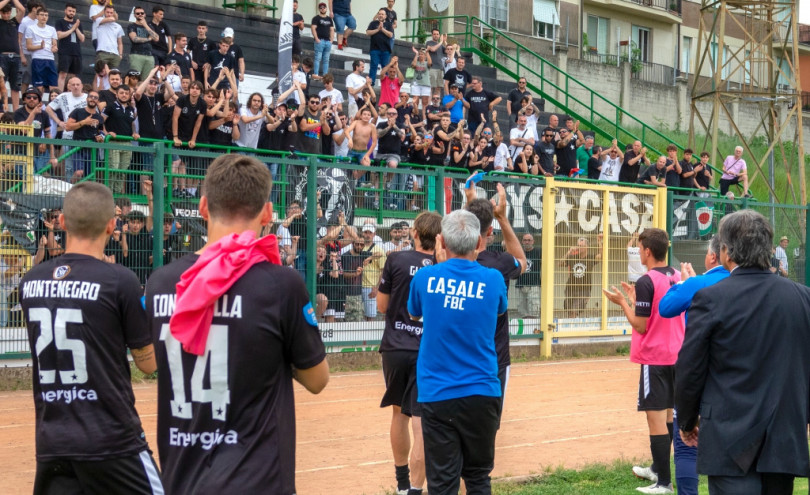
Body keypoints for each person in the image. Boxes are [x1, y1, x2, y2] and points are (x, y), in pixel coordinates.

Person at [146, 154, 329, 494]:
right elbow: (318, 379)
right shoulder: (281, 285)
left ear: (203, 207)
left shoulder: (161, 283)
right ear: (267, 214)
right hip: (258, 480)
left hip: (183, 479)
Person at [20, 182, 162, 495]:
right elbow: (148, 364)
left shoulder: (30, 282)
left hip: (52, 440)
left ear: (61, 222)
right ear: (113, 225)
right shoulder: (119, 280)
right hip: (111, 437)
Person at [675, 210, 810, 494]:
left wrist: (687, 421)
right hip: (783, 435)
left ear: (726, 251)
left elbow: (691, 367)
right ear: (769, 249)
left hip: (728, 435)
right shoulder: (802, 297)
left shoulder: (711, 298)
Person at [407, 209, 507, 495]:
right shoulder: (493, 279)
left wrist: (440, 267)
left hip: (438, 393)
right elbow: (498, 309)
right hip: (482, 391)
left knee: (442, 482)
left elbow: (414, 314)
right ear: (479, 242)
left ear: (441, 241)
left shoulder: (425, 278)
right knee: (477, 477)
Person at [602, 228, 684, 495]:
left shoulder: (647, 280)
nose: (637, 253)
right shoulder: (675, 275)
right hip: (675, 353)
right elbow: (661, 309)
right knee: (668, 413)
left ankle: (664, 483)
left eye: (639, 249)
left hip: (655, 357)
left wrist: (623, 303)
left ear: (648, 251)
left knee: (655, 418)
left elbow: (640, 325)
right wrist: (637, 300)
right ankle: (659, 469)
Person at [657, 236, 728, 495]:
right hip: (737, 378)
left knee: (686, 441)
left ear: (713, 256)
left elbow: (666, 308)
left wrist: (687, 283)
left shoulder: (698, 284)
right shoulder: (744, 282)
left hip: (699, 373)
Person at [377, 211, 441, 495]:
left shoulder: (396, 259)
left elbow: (381, 307)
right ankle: (417, 487)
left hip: (396, 346)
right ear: (439, 237)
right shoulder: (443, 266)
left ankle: (403, 484)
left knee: (398, 414)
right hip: (427, 349)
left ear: (414, 233)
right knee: (421, 420)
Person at [25, 8, 58, 94]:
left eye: (46, 15)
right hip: (38, 58)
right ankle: (38, 106)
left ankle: (52, 106)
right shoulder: (31, 28)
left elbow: (54, 45)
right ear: (37, 16)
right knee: (39, 87)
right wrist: (40, 46)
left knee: (53, 85)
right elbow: (28, 46)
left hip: (50, 59)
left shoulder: (52, 29)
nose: (44, 17)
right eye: (42, 15)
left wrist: (54, 49)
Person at [0, 0, 25, 112]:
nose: (6, 15)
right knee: (1, 83)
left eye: (7, 13)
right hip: (2, 57)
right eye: (3, 13)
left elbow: (23, 10)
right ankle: (1, 109)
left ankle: (16, 112)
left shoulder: (15, 22)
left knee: (16, 86)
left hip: (16, 57)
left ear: (11, 12)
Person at [55, 3, 84, 93]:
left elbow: (82, 38)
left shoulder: (78, 24)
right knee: (63, 74)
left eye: (73, 11)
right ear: (65, 11)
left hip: (76, 52)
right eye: (70, 11)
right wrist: (72, 29)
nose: (71, 13)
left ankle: (71, 93)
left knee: (73, 76)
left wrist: (76, 28)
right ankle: (59, 93)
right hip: (65, 51)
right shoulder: (60, 22)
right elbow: (59, 35)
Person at [514, 233, 541, 318]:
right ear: (522, 241)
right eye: (525, 240)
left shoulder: (538, 251)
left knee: (534, 306)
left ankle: (533, 323)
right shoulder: (519, 252)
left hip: (533, 283)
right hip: (521, 283)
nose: (527, 242)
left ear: (533, 241)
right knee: (521, 307)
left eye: (529, 240)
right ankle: (525, 325)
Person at [366, 8, 393, 86]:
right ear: (377, 15)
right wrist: (378, 29)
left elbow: (390, 35)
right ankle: (371, 83)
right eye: (379, 14)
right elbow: (368, 32)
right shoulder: (373, 23)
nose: (380, 15)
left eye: (382, 14)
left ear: (385, 16)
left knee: (385, 67)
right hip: (374, 49)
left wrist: (382, 29)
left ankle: (387, 84)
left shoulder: (388, 24)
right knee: (373, 66)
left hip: (385, 50)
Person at [94, 5, 124, 69]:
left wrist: (120, 54)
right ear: (104, 12)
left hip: (115, 54)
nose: (109, 14)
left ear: (113, 13)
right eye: (107, 12)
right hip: (103, 52)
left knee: (114, 75)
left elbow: (120, 42)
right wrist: (115, 17)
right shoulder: (99, 20)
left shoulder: (118, 26)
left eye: (111, 12)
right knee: (100, 74)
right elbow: (111, 19)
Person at [311, 3, 334, 78]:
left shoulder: (329, 19)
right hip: (320, 40)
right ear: (319, 9)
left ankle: (325, 76)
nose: (322, 9)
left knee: (326, 60)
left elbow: (332, 30)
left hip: (327, 41)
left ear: (326, 8)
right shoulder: (316, 18)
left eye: (324, 7)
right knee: (318, 58)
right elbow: (313, 28)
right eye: (321, 8)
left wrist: (331, 40)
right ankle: (316, 74)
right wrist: (317, 38)